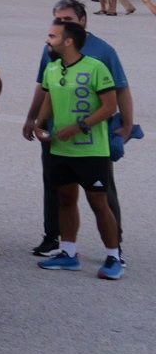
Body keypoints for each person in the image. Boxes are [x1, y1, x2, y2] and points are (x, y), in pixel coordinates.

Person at [28, 18, 124, 278]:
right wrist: (39, 124)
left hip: (91, 151)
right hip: (61, 149)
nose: (47, 40)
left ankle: (114, 257)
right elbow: (49, 97)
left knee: (99, 204)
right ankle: (69, 253)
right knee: (66, 200)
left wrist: (79, 126)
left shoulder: (96, 67)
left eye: (53, 36)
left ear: (68, 41)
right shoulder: (52, 68)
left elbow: (110, 107)